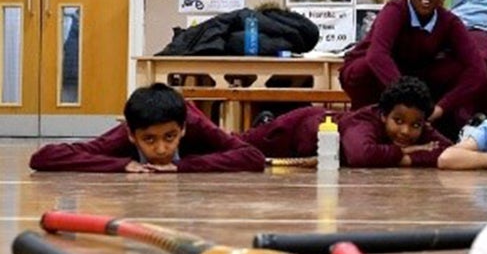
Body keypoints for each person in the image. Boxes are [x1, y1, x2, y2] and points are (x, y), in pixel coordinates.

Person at [339, 0, 487, 137]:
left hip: (412, 75)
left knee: (454, 68)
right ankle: (367, 122)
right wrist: (409, 98)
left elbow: (478, 70)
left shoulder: (450, 21)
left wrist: (442, 107)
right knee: (366, 68)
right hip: (372, 73)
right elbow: (377, 55)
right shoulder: (394, 10)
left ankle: (444, 124)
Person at [29, 83, 264, 172]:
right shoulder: (121, 137)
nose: (161, 149)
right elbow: (43, 158)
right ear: (132, 135)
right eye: (149, 140)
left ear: (182, 129)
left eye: (170, 137)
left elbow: (252, 157)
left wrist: (183, 166)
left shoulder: (194, 125)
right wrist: (121, 164)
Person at [240, 77, 451, 168]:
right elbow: (360, 155)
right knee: (233, 146)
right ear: (383, 115)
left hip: (307, 150)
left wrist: (409, 155)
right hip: (292, 130)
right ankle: (265, 123)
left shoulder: (415, 125)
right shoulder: (365, 121)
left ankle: (265, 121)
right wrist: (408, 152)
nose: (405, 131)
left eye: (416, 125)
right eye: (398, 121)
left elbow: (449, 152)